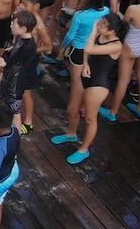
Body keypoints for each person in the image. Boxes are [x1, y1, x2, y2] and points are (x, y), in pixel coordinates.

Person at [52, 13, 125, 165]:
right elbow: (87, 52)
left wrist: (93, 30)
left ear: (112, 31)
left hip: (99, 84)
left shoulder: (116, 45)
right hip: (87, 76)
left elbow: (89, 48)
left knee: (90, 118)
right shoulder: (101, 35)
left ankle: (84, 149)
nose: (99, 25)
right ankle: (71, 133)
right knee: (72, 108)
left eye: (103, 24)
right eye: (101, 22)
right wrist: (85, 63)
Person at [0, 9, 41, 134]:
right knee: (8, 110)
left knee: (15, 114)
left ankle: (14, 141)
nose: (11, 25)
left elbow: (8, 61)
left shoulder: (28, 47)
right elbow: (10, 51)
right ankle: (6, 135)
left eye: (14, 24)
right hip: (10, 80)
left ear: (24, 29)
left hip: (15, 86)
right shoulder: (21, 39)